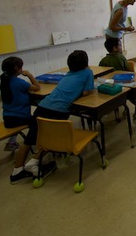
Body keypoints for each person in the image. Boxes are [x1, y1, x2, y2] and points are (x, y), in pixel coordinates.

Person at [19, 51, 95, 182]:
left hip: (42, 106)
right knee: (53, 140)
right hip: (58, 111)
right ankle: (33, 162)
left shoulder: (68, 74)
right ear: (86, 63)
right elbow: (87, 91)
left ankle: (17, 170)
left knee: (31, 138)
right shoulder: (88, 73)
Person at [0, 57, 41, 183]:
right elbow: (37, 87)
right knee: (38, 121)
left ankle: (12, 141)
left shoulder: (4, 81)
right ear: (17, 69)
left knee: (28, 118)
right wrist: (29, 75)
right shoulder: (19, 82)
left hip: (7, 117)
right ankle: (35, 145)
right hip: (20, 117)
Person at [100, 37, 136, 120]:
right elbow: (127, 72)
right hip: (122, 84)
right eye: (120, 45)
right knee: (132, 95)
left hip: (110, 86)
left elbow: (103, 74)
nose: (121, 47)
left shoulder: (103, 60)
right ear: (115, 48)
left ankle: (121, 109)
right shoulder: (120, 58)